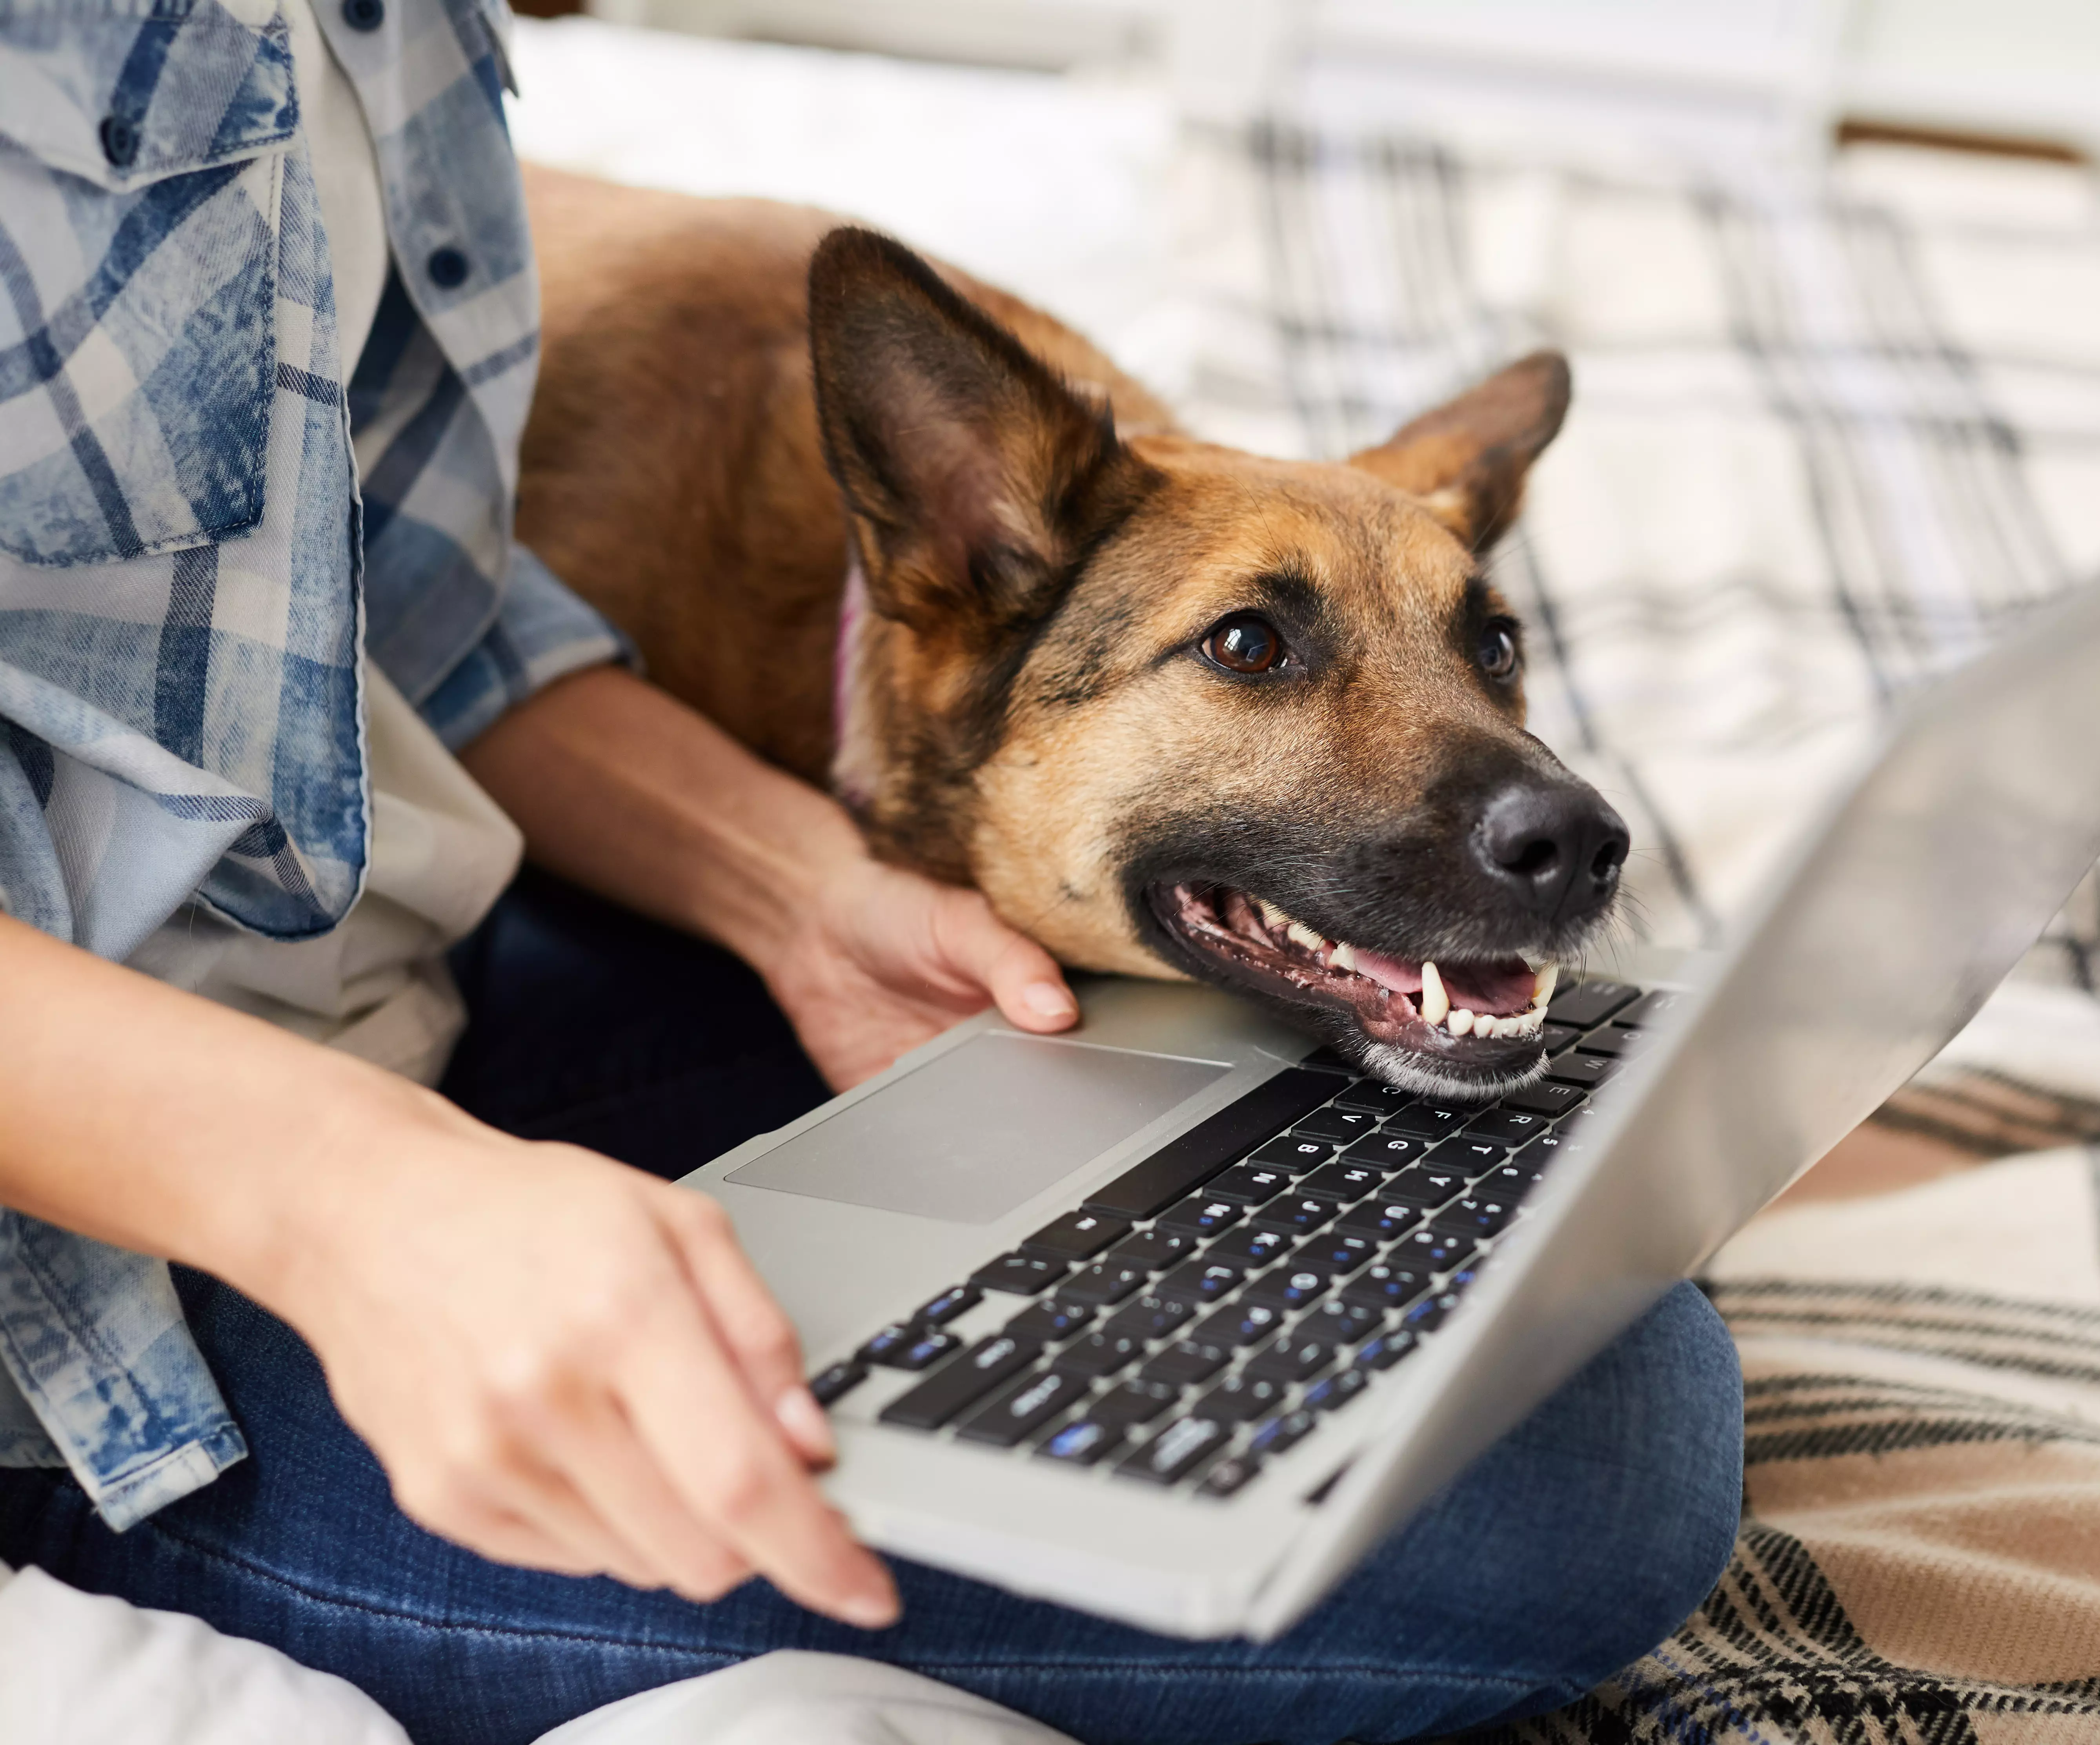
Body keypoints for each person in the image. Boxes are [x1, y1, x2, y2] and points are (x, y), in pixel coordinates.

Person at [0, 5, 1745, 1743]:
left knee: (1562, 1322)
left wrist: (797, 897)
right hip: (80, 1324)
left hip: (395, 977)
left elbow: (408, 603)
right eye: (1253, 648)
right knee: (1576, 1486)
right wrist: (352, 1200)